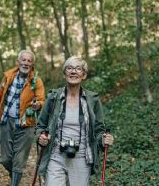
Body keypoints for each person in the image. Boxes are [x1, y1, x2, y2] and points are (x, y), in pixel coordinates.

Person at [35, 56, 114, 186]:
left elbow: (99, 129)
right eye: (69, 68)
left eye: (78, 69)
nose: (73, 72)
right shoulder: (53, 97)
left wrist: (103, 140)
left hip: (82, 158)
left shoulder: (92, 100)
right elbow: (40, 125)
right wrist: (40, 137)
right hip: (56, 156)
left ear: (84, 75)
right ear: (64, 73)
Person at [0, 50, 45, 186]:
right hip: (6, 122)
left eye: (29, 61)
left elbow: (42, 100)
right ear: (18, 62)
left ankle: (15, 182)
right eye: (23, 60)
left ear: (32, 64)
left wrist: (38, 105)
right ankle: (14, 174)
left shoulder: (36, 81)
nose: (26, 63)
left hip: (26, 125)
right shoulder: (8, 77)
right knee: (6, 159)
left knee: (19, 161)